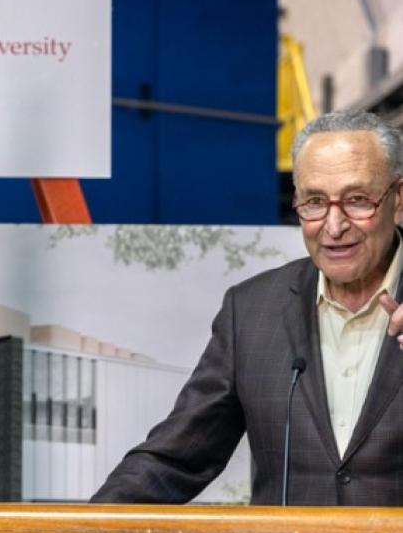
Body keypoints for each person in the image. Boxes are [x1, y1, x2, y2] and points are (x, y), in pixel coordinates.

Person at [92, 110, 403, 505]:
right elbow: (177, 458)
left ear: (398, 198)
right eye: (314, 202)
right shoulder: (253, 310)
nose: (334, 225)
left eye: (358, 201)